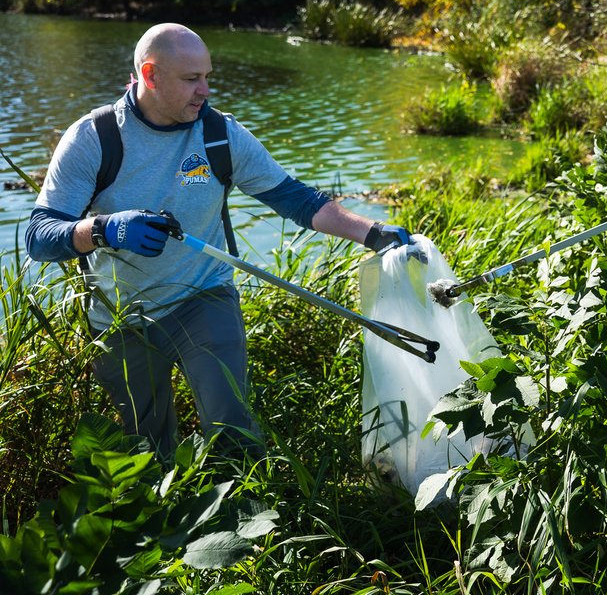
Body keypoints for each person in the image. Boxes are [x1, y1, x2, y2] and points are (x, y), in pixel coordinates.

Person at [25, 23, 421, 459]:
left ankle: (246, 514)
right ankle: (164, 521)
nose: (205, 90)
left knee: (230, 425)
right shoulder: (93, 139)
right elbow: (40, 237)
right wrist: (103, 229)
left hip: (202, 297)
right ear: (150, 75)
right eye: (192, 79)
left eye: (208, 77)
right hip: (119, 318)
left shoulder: (219, 135)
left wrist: (372, 233)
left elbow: (295, 198)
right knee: (143, 445)